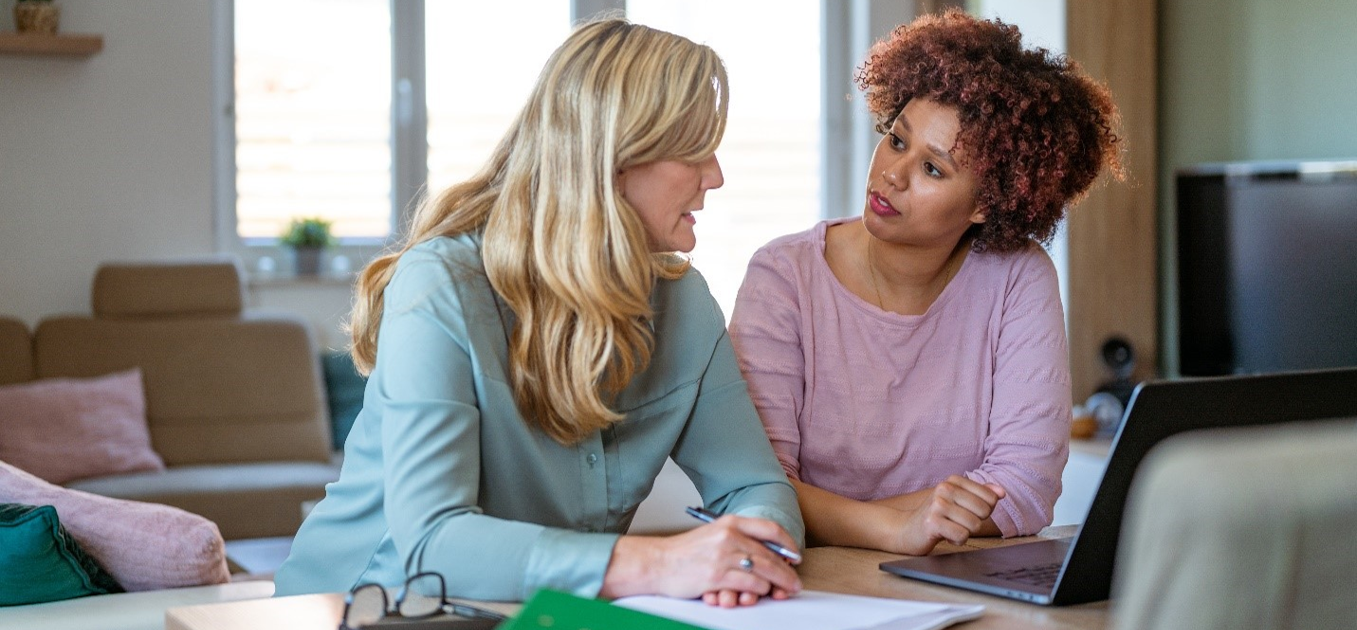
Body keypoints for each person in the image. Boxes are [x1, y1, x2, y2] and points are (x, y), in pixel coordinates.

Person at [274, 19, 804, 608]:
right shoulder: (442, 283)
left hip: (534, 612)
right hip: (363, 607)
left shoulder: (683, 302)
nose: (717, 176)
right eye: (694, 151)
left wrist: (756, 553)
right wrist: (662, 561)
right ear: (614, 159)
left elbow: (754, 484)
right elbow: (433, 540)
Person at [728, 9, 1122, 556]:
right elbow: (758, 493)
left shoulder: (1017, 278)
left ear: (987, 203)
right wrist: (904, 528)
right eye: (896, 140)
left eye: (933, 169)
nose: (892, 173)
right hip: (814, 585)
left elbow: (1027, 488)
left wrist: (836, 514)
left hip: (957, 583)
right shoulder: (783, 277)